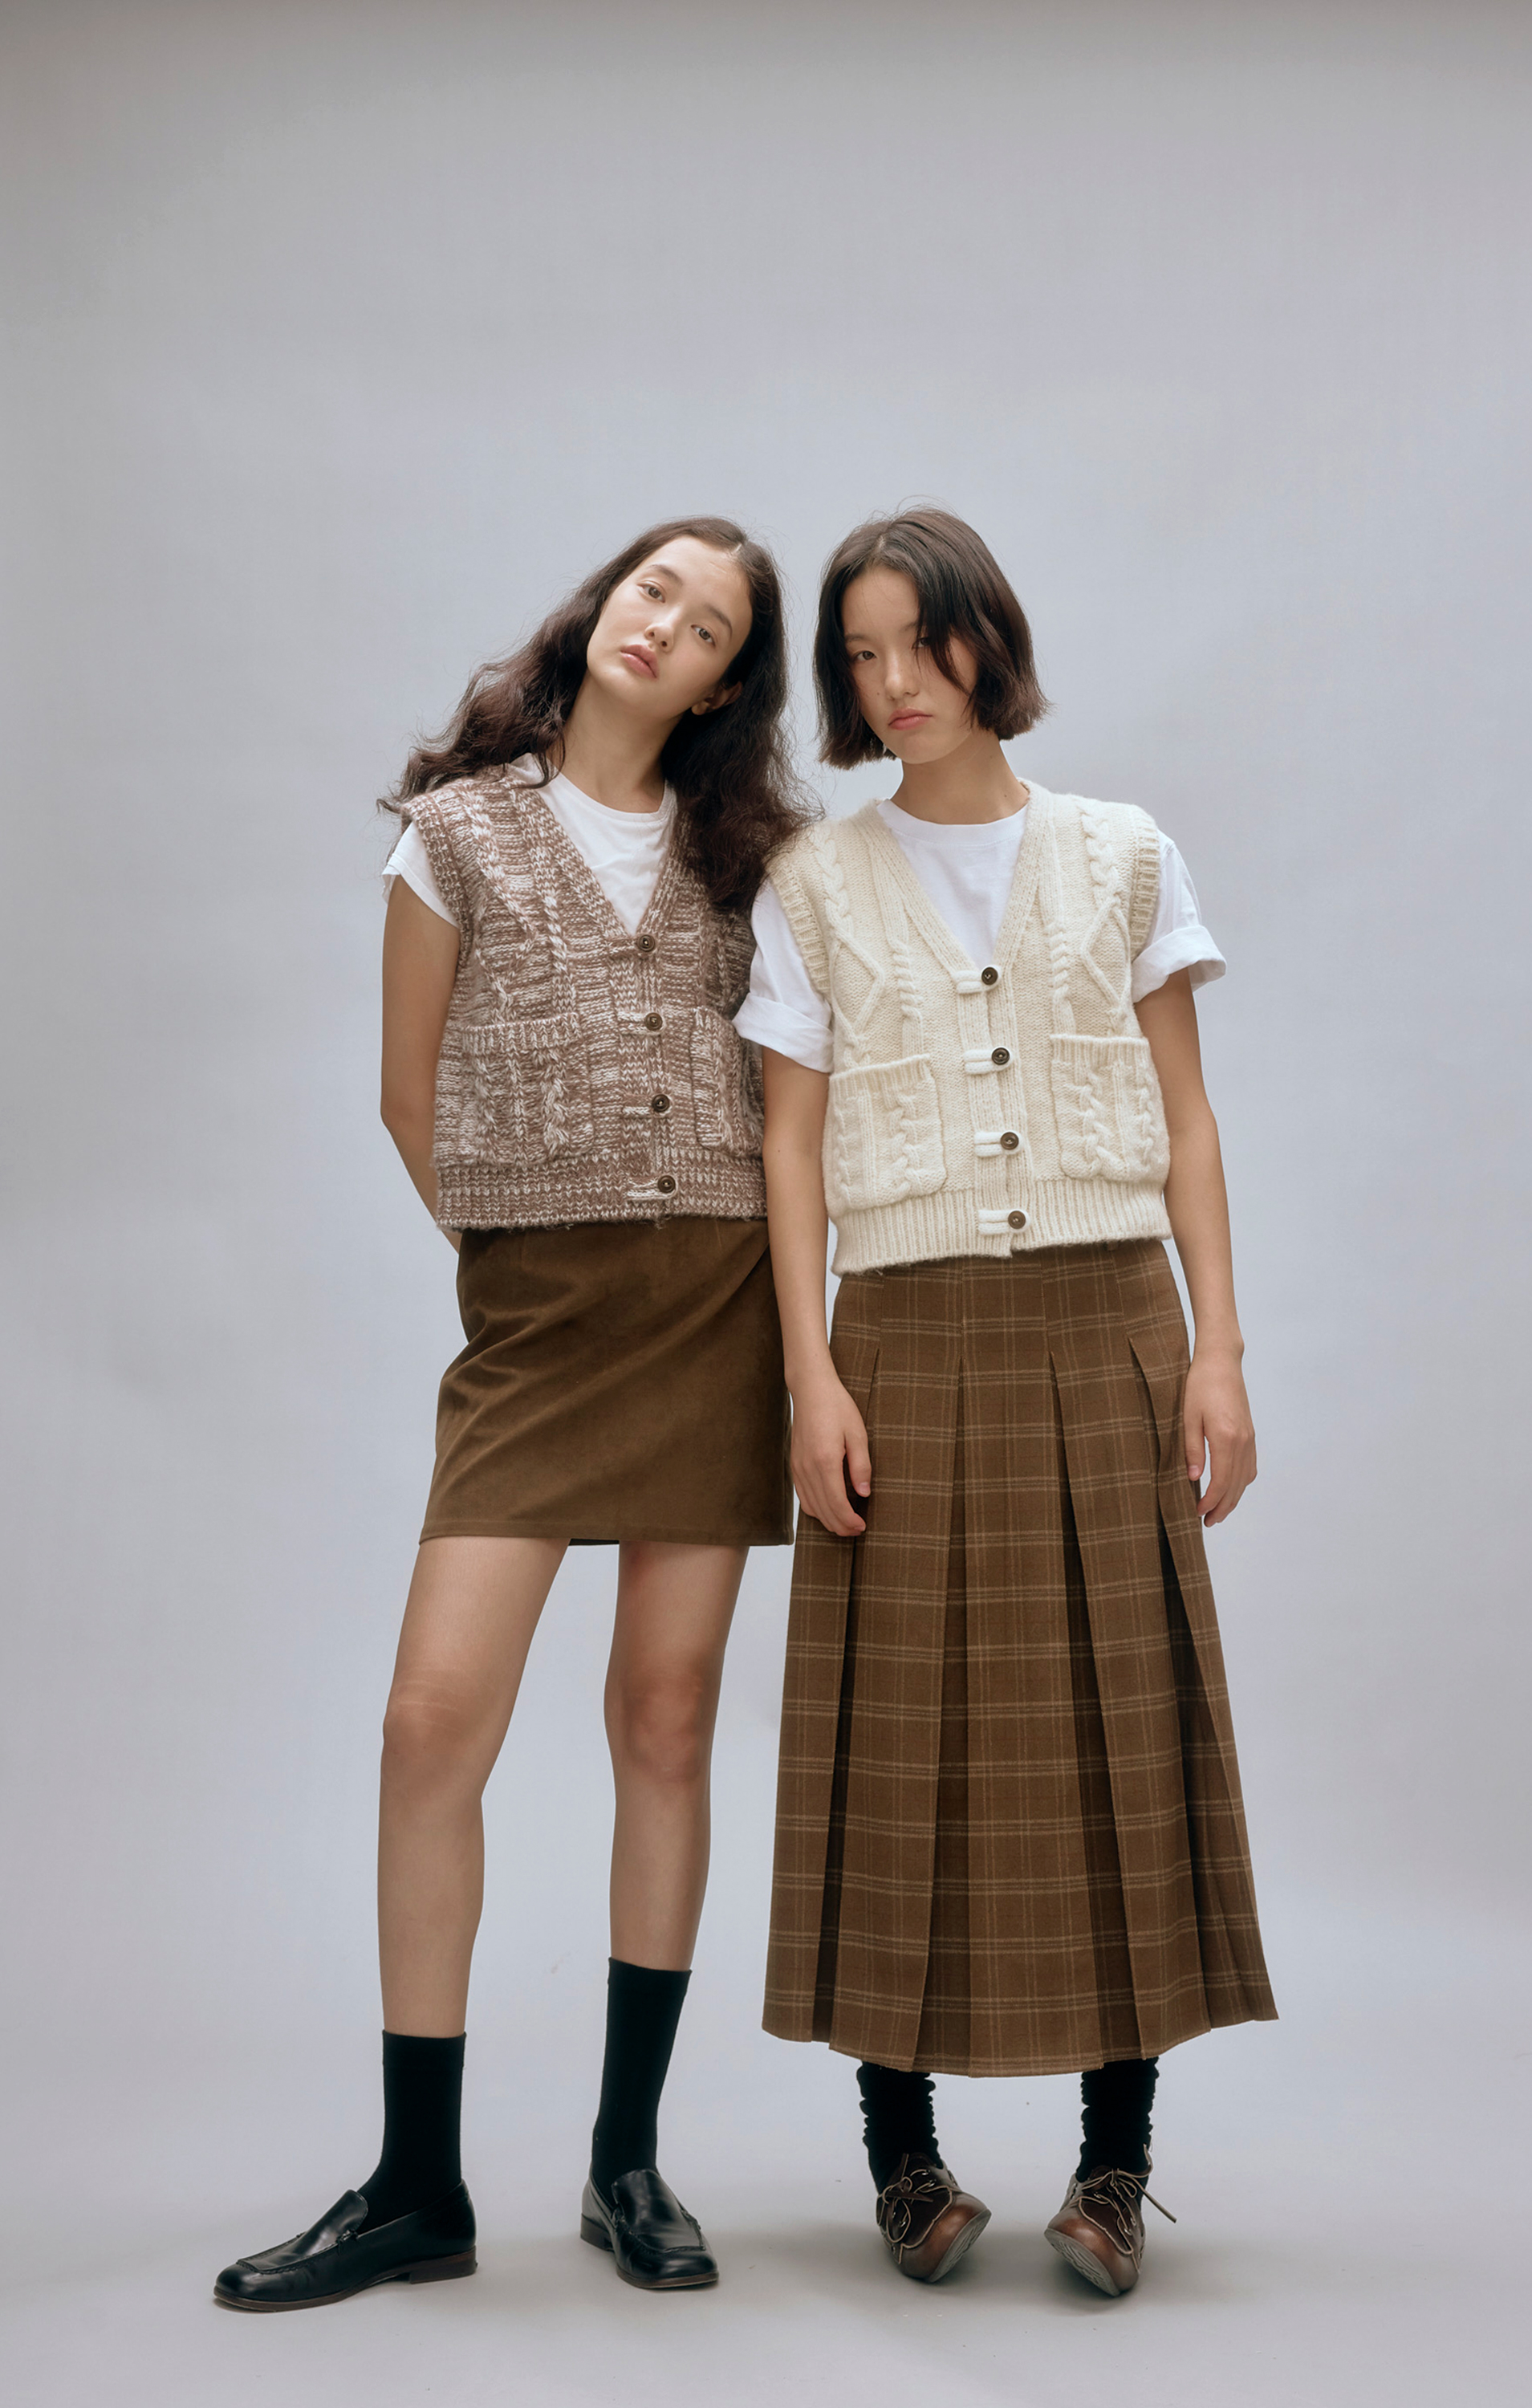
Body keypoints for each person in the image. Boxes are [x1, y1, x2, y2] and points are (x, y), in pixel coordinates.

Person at [216, 518, 809, 2312]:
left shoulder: (760, 862)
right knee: (430, 1726)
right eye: (654, 590)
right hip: (538, 1326)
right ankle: (418, 2183)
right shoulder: (457, 831)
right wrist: (518, 1254)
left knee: (667, 1719)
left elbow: (798, 1100)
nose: (665, 627)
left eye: (707, 626)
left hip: (716, 1312)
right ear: (602, 604)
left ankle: (626, 2162)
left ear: (721, 684)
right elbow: (408, 1098)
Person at [738, 507, 1275, 2298]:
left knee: (1120, 1726)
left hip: (1109, 1325)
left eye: (920, 640)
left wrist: (1216, 1351)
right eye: (859, 656)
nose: (894, 682)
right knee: (897, 1737)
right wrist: (808, 1375)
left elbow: (1185, 1117)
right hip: (898, 1340)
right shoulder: (811, 881)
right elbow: (789, 1148)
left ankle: (1114, 2168)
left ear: (988, 638)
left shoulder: (1120, 853)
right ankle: (902, 2165)